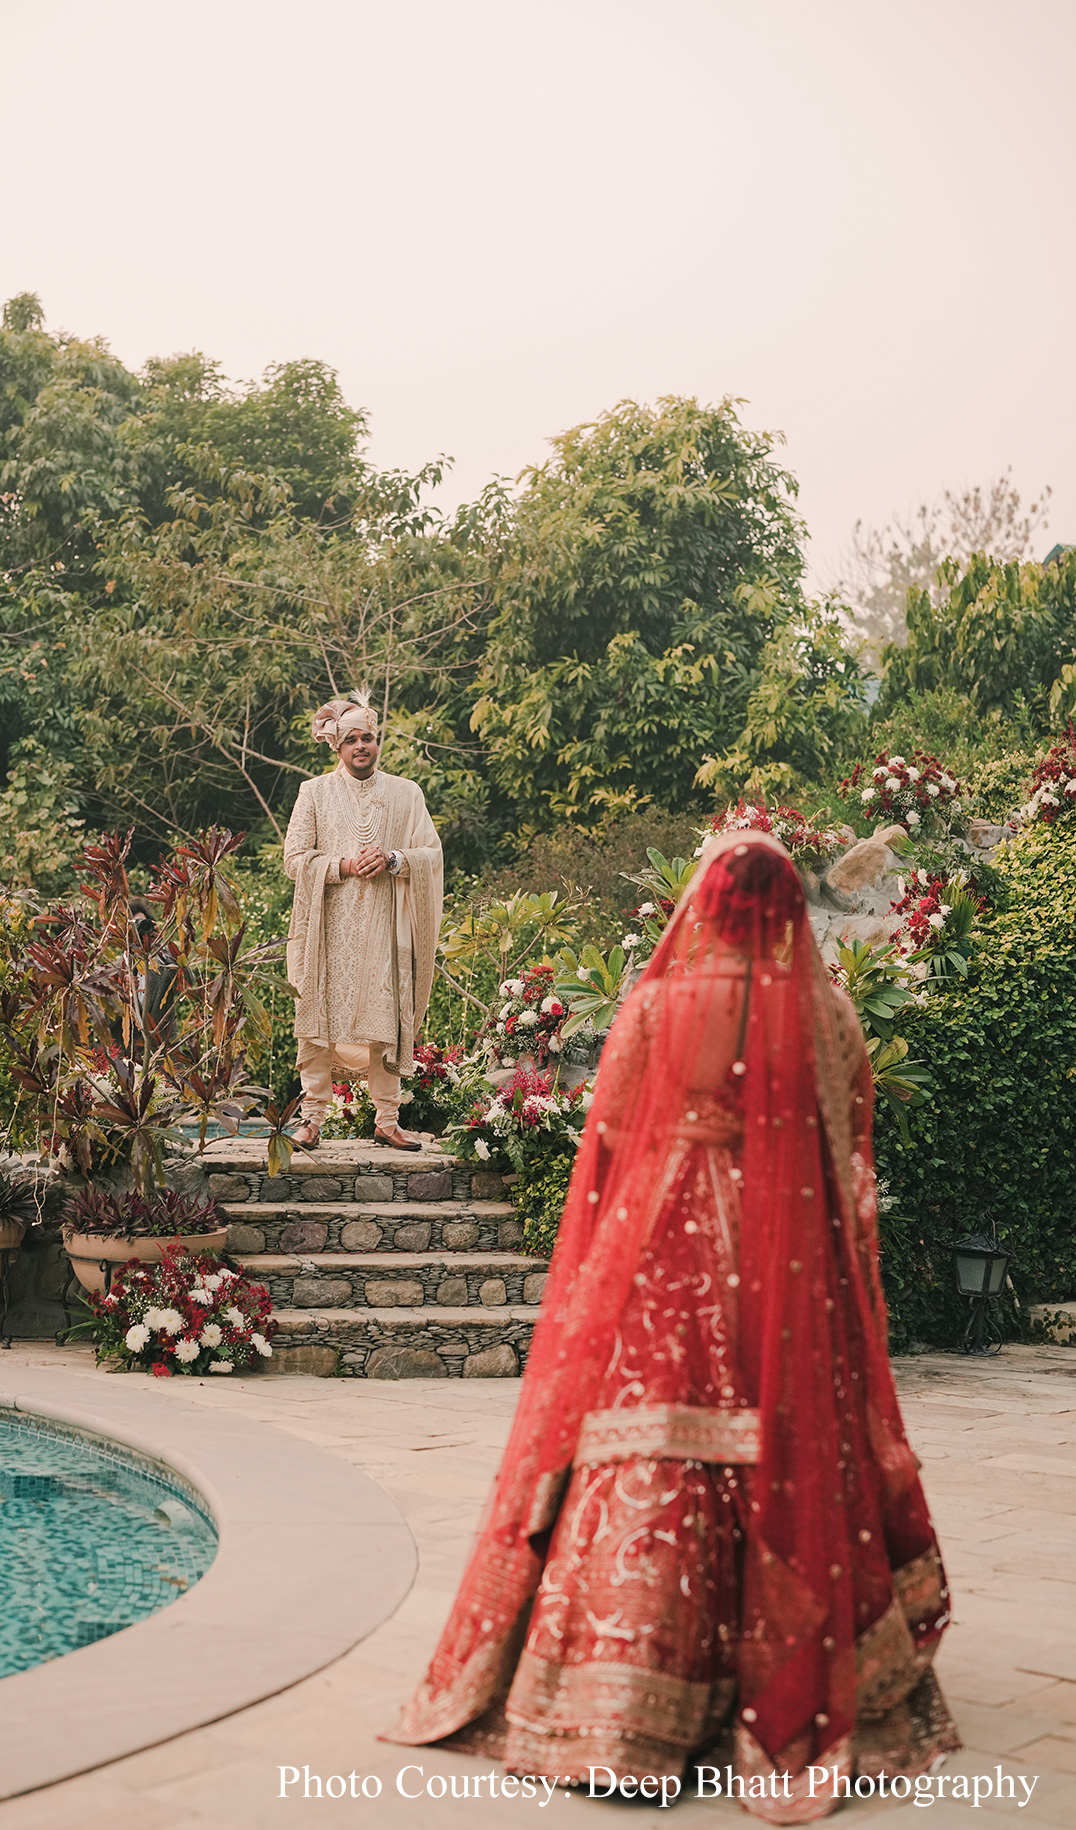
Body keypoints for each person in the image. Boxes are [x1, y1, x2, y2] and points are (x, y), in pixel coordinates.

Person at [386, 831, 958, 1820]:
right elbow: (848, 1145)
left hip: (660, 1238)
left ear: (704, 902)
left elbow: (605, 1139)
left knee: (642, 1431)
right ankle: (771, 1687)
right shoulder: (819, 1010)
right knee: (781, 1441)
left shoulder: (655, 1004)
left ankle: (611, 1698)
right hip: (781, 1258)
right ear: (780, 909)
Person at [284, 693, 443, 1152]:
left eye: (368, 737)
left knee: (384, 1019)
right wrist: (343, 866)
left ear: (378, 742)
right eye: (351, 738)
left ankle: (388, 1119)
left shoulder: (406, 793)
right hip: (326, 930)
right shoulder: (313, 792)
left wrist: (394, 858)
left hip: (385, 929)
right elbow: (294, 860)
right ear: (336, 747)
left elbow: (431, 854)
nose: (361, 746)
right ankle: (312, 1117)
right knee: (316, 1020)